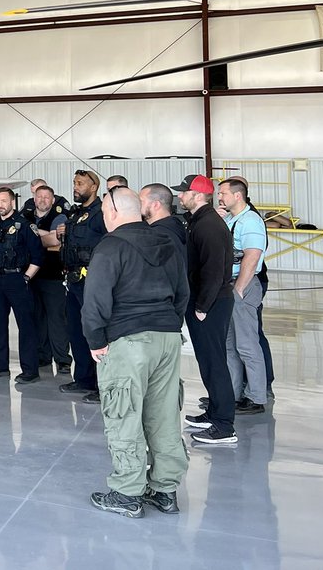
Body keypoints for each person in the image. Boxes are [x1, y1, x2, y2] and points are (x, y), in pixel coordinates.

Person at [82, 186, 190, 519]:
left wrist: (95, 340)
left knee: (123, 413)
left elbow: (95, 302)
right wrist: (169, 325)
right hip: (168, 339)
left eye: (103, 211)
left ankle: (128, 492)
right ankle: (165, 489)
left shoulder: (110, 247)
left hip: (128, 343)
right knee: (164, 416)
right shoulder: (167, 242)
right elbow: (183, 292)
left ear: (113, 212)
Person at [171, 174, 237, 445]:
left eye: (183, 192)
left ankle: (224, 426)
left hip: (210, 304)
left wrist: (202, 306)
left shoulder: (208, 225)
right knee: (208, 361)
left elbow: (213, 270)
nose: (179, 196)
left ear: (197, 195)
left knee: (214, 362)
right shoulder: (198, 221)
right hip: (205, 302)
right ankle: (214, 413)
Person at [0, 187, 43, 383]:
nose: (0, 205)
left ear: (12, 202)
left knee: (26, 326)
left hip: (18, 280)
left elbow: (38, 256)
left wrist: (25, 278)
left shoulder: (25, 226)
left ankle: (30, 370)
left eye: (4, 201)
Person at [218, 179, 268, 415]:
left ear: (238, 196)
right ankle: (233, 393)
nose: (220, 197)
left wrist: (239, 289)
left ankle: (256, 397)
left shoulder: (250, 221)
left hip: (242, 286)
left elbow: (252, 257)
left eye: (223, 193)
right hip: (229, 286)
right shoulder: (231, 220)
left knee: (247, 344)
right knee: (230, 346)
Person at [59, 169, 107, 402]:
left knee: (95, 332)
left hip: (92, 282)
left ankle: (102, 385)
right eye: (74, 183)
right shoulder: (76, 214)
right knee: (76, 332)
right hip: (74, 281)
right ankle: (84, 379)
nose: (76, 187)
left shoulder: (100, 214)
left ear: (93, 187)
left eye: (80, 183)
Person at [29, 185, 71, 375]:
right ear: (34, 198)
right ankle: (42, 356)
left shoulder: (60, 216)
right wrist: (46, 236)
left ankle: (62, 359)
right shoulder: (26, 216)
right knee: (37, 318)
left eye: (47, 197)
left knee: (57, 319)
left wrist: (35, 235)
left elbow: (55, 241)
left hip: (53, 276)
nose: (43, 200)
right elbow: (47, 239)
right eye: (40, 197)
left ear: (52, 200)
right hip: (31, 277)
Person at [139, 183, 186, 251]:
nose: (137, 204)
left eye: (141, 201)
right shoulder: (175, 228)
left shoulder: (158, 236)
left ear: (156, 205)